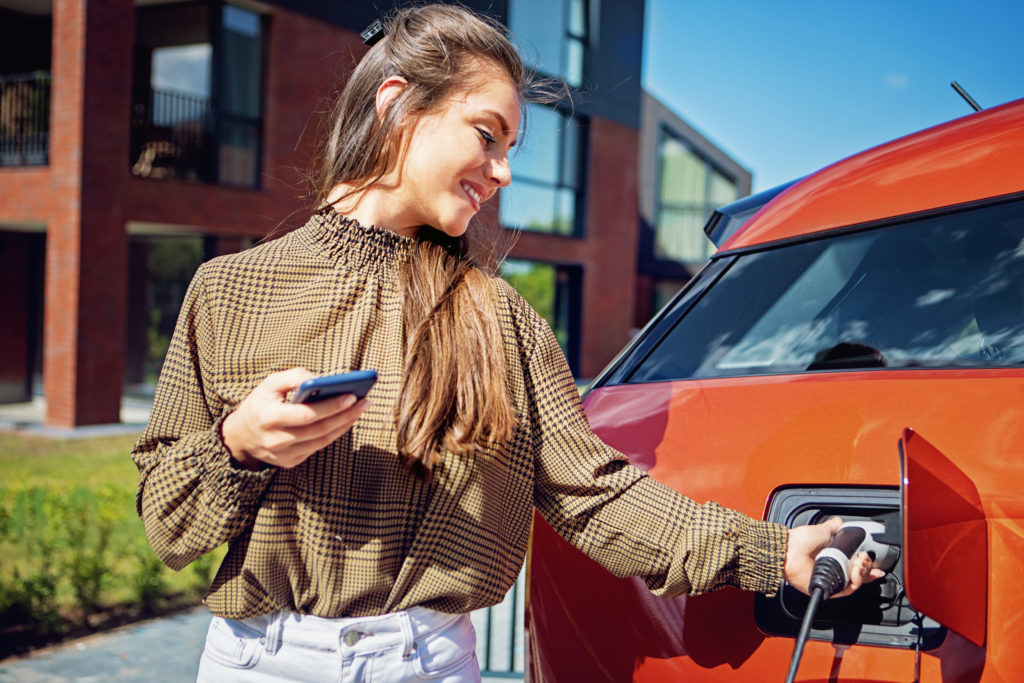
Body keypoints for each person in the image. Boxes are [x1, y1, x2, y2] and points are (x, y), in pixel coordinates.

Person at [131, 5, 881, 681]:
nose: (505, 171)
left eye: (511, 145)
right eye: (487, 135)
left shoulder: (501, 319)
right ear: (397, 105)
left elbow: (599, 496)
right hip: (253, 665)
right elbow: (169, 524)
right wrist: (238, 443)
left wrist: (772, 550)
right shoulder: (226, 291)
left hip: (424, 667)